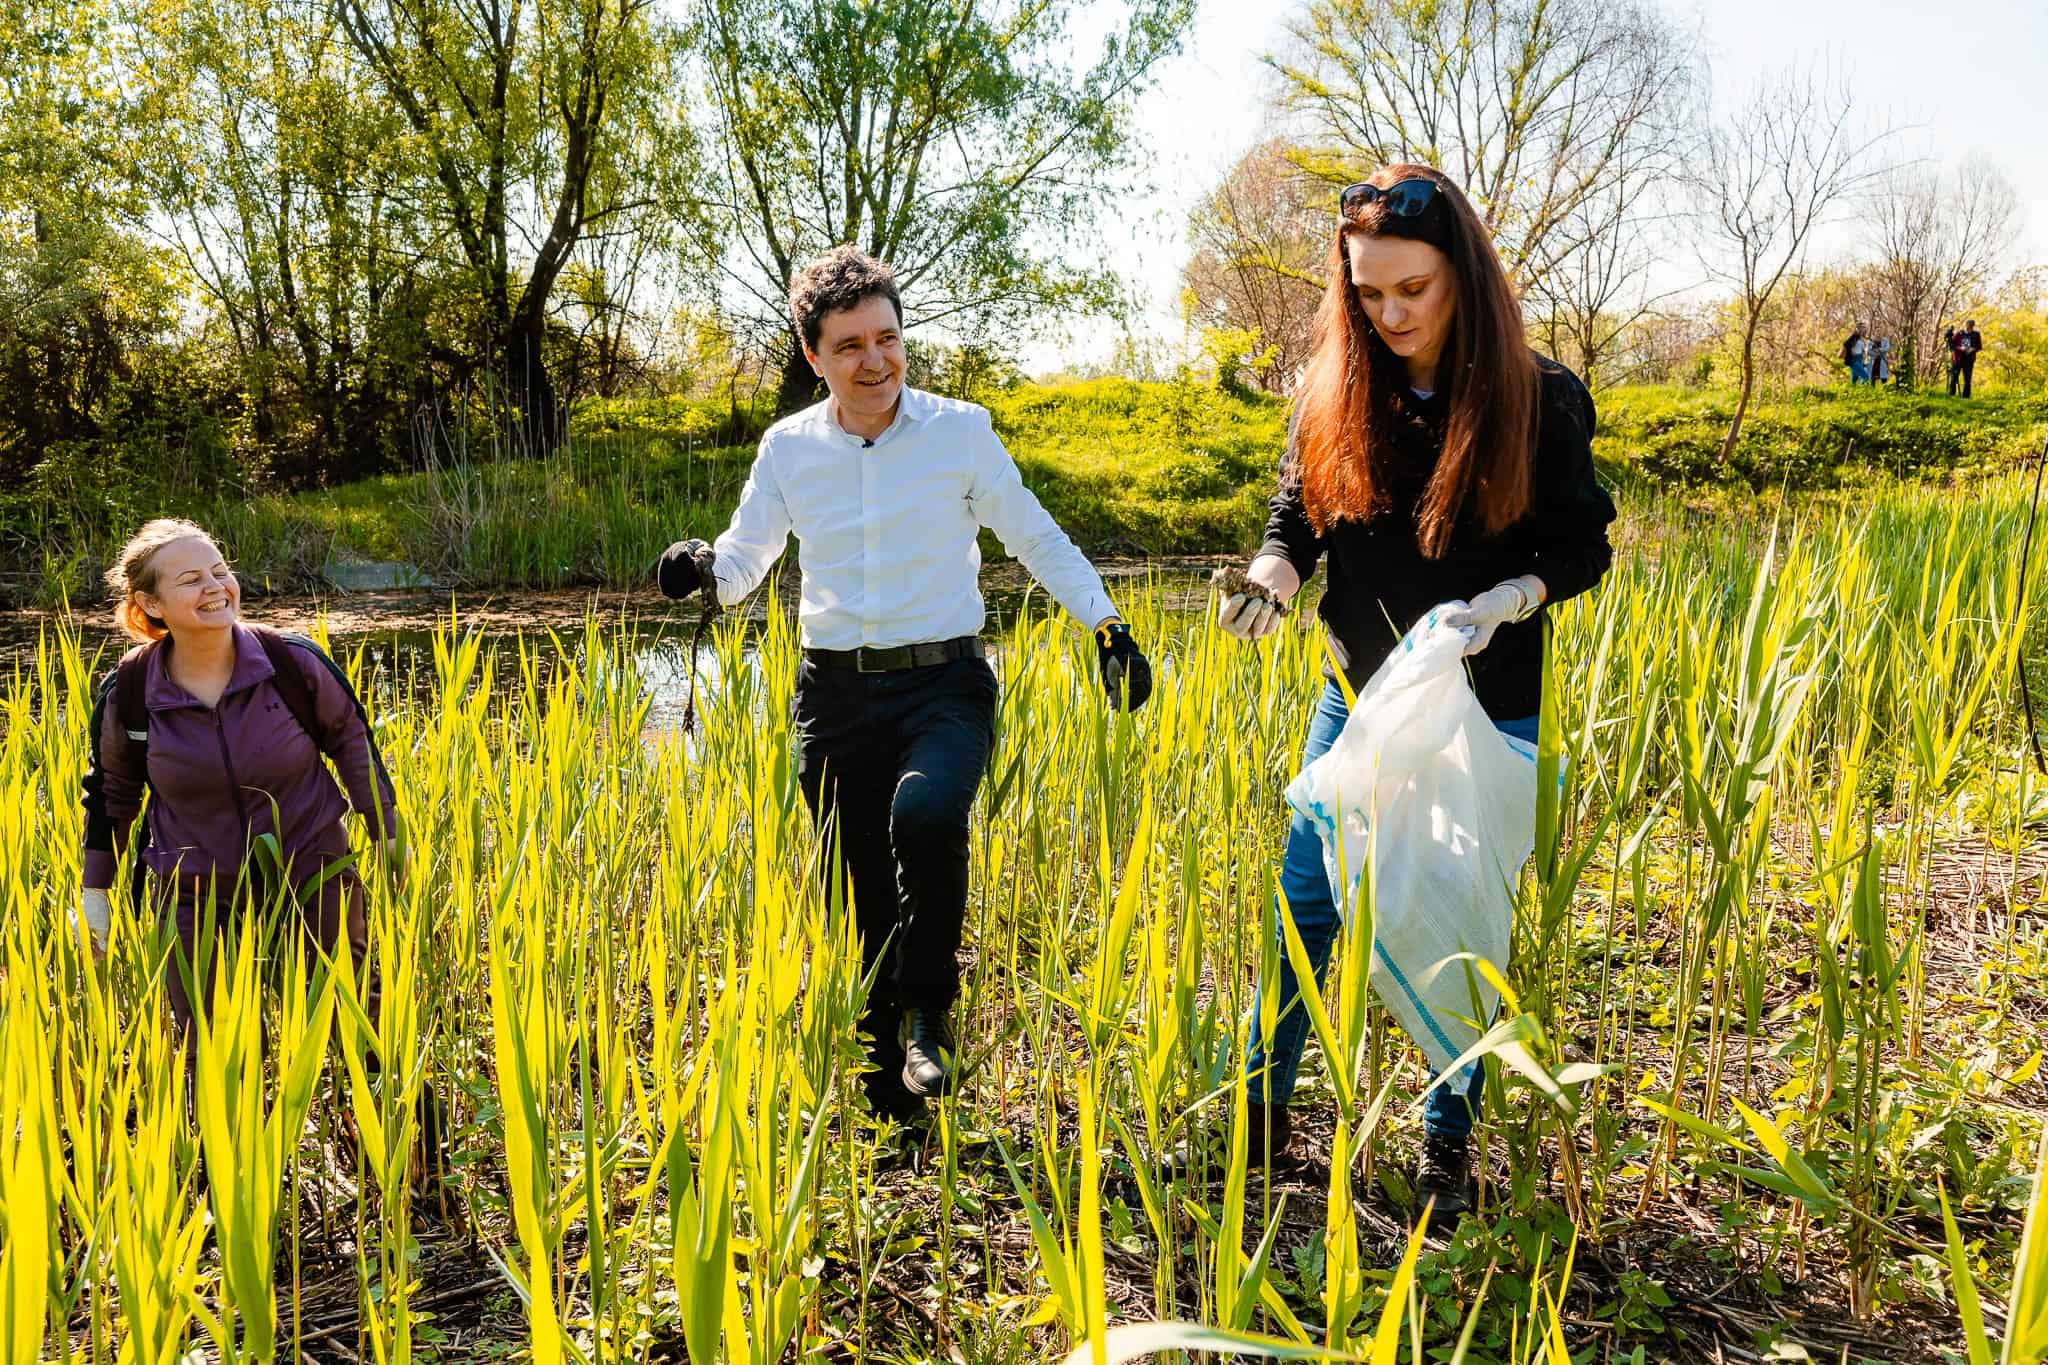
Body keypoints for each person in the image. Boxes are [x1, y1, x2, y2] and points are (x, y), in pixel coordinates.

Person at [657, 247, 1152, 1121]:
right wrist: (701, 566)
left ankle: (931, 1009)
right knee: (859, 888)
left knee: (925, 815)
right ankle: (888, 1077)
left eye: (887, 338)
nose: (875, 360)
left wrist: (1106, 624)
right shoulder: (789, 449)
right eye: (849, 346)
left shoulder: (960, 432)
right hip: (835, 696)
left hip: (944, 683)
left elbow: (1035, 538)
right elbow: (746, 558)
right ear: (813, 356)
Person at [1208, 164, 1615, 1216]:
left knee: (1454, 922)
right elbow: (1292, 526)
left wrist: (1507, 601)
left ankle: (1445, 1151)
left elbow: (1581, 548)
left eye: (1411, 291)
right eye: (1366, 292)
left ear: (1462, 280)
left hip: (1484, 704)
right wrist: (1267, 583)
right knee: (1302, 910)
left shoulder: (1538, 396)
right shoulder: (1333, 391)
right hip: (1357, 695)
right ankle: (1256, 1131)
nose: (1387, 314)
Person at [76, 520, 443, 1182]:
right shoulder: (130, 693)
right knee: (213, 1048)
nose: (216, 586)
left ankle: (410, 1171)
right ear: (151, 605)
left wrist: (387, 834)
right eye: (191, 579)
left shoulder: (291, 663)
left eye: (219, 569)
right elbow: (112, 791)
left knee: (356, 1020)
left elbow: (353, 743)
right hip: (194, 893)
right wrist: (95, 890)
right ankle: (240, 1190)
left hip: (312, 873)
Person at [1950, 319, 1983, 397]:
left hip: (1969, 359)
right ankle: (1951, 394)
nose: (1969, 328)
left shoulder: (1976, 334)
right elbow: (1951, 344)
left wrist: (1972, 349)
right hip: (1958, 358)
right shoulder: (1959, 333)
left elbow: (1979, 346)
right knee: (1954, 377)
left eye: (1971, 327)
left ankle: (1966, 397)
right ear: (1966, 325)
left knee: (1967, 379)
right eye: (1968, 326)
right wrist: (1960, 348)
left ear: (1973, 326)